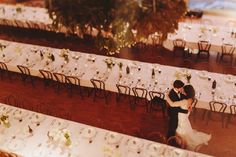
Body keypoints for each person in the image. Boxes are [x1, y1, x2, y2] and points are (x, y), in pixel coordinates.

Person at [165, 85, 211, 150]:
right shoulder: (191, 98)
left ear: (187, 93)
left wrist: (166, 96)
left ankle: (181, 143)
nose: (182, 91)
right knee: (183, 128)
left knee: (180, 130)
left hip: (181, 117)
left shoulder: (185, 101)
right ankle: (180, 141)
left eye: (183, 90)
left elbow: (172, 104)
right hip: (184, 116)